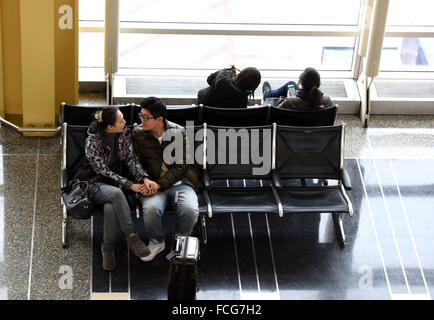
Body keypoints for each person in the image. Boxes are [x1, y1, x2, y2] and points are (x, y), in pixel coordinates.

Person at [78, 106, 154, 271]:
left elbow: (130, 159)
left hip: (114, 183)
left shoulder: (124, 132)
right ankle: (132, 237)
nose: (125, 122)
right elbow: (102, 171)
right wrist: (130, 184)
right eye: (121, 121)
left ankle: (108, 247)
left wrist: (143, 177)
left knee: (111, 207)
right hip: (94, 182)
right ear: (109, 127)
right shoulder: (93, 140)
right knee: (117, 194)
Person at [132, 97, 200, 262]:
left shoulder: (179, 132)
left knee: (190, 210)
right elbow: (134, 162)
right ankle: (157, 241)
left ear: (160, 119)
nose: (142, 120)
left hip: (180, 182)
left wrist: (159, 184)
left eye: (146, 117)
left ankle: (181, 239)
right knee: (151, 211)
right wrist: (145, 178)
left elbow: (182, 166)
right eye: (141, 116)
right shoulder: (138, 134)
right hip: (151, 183)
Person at [262, 67, 333, 110]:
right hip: (316, 133)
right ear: (319, 84)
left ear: (301, 85)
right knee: (291, 84)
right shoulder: (326, 101)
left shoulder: (289, 102)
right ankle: (268, 94)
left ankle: (267, 94)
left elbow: (276, 114)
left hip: (291, 132)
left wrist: (289, 98)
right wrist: (293, 97)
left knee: (290, 84)